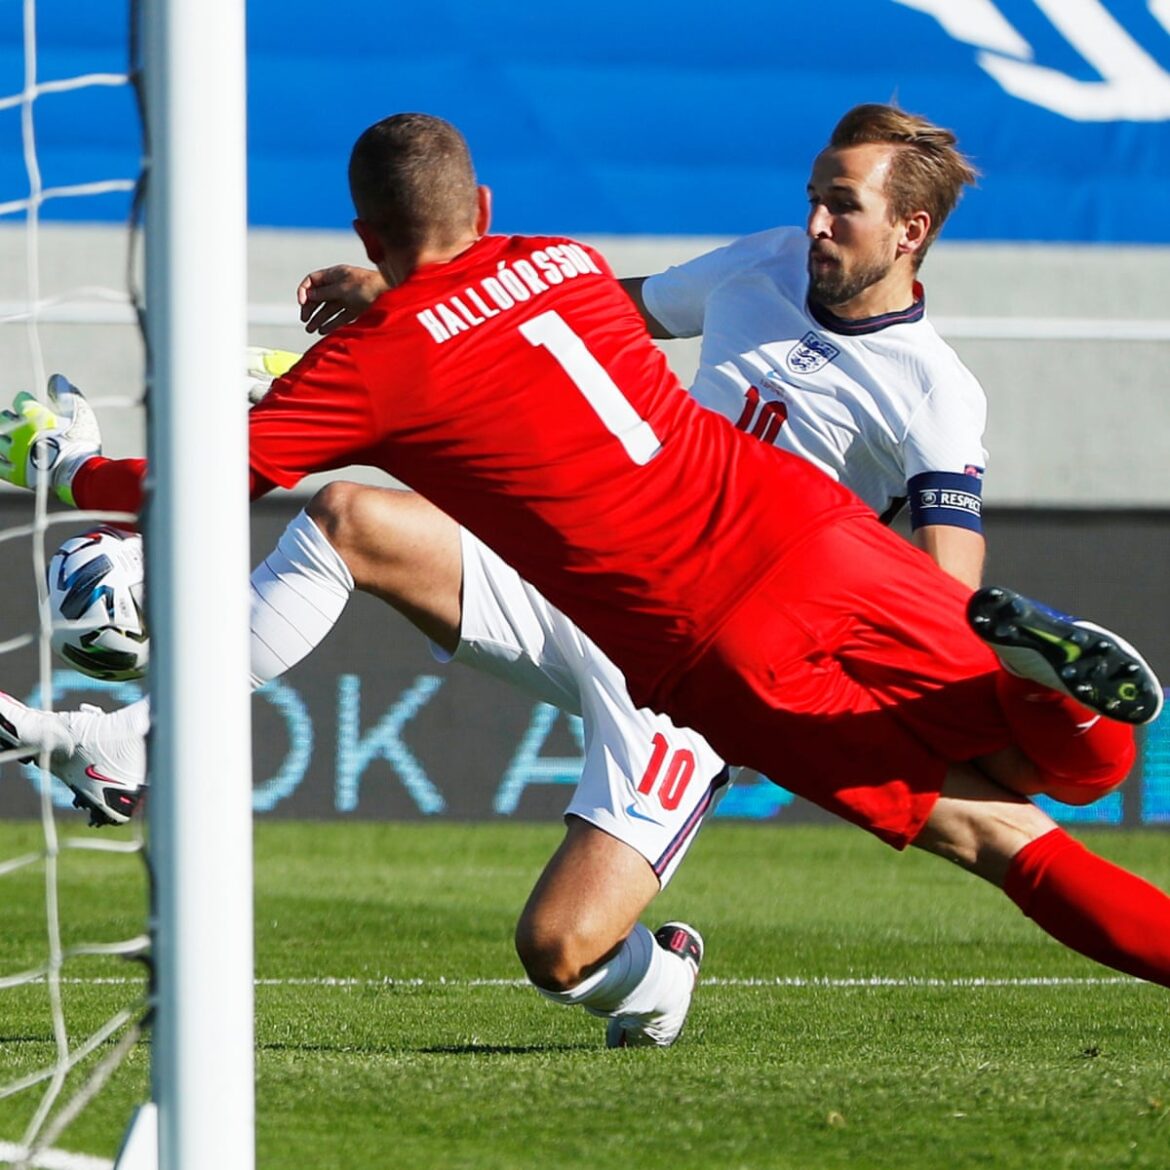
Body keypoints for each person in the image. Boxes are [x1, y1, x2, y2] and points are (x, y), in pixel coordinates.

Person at [3, 108, 1170, 1044]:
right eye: (814, 197)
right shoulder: (591, 259)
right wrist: (402, 304)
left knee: (979, 828)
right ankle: (135, 743)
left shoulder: (931, 386)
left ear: (910, 232)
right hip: (716, 554)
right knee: (351, 516)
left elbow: (207, 477)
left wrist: (70, 473)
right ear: (490, 213)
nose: (814, 222)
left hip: (705, 634)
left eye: (841, 205)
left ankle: (1065, 700)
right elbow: (576, 316)